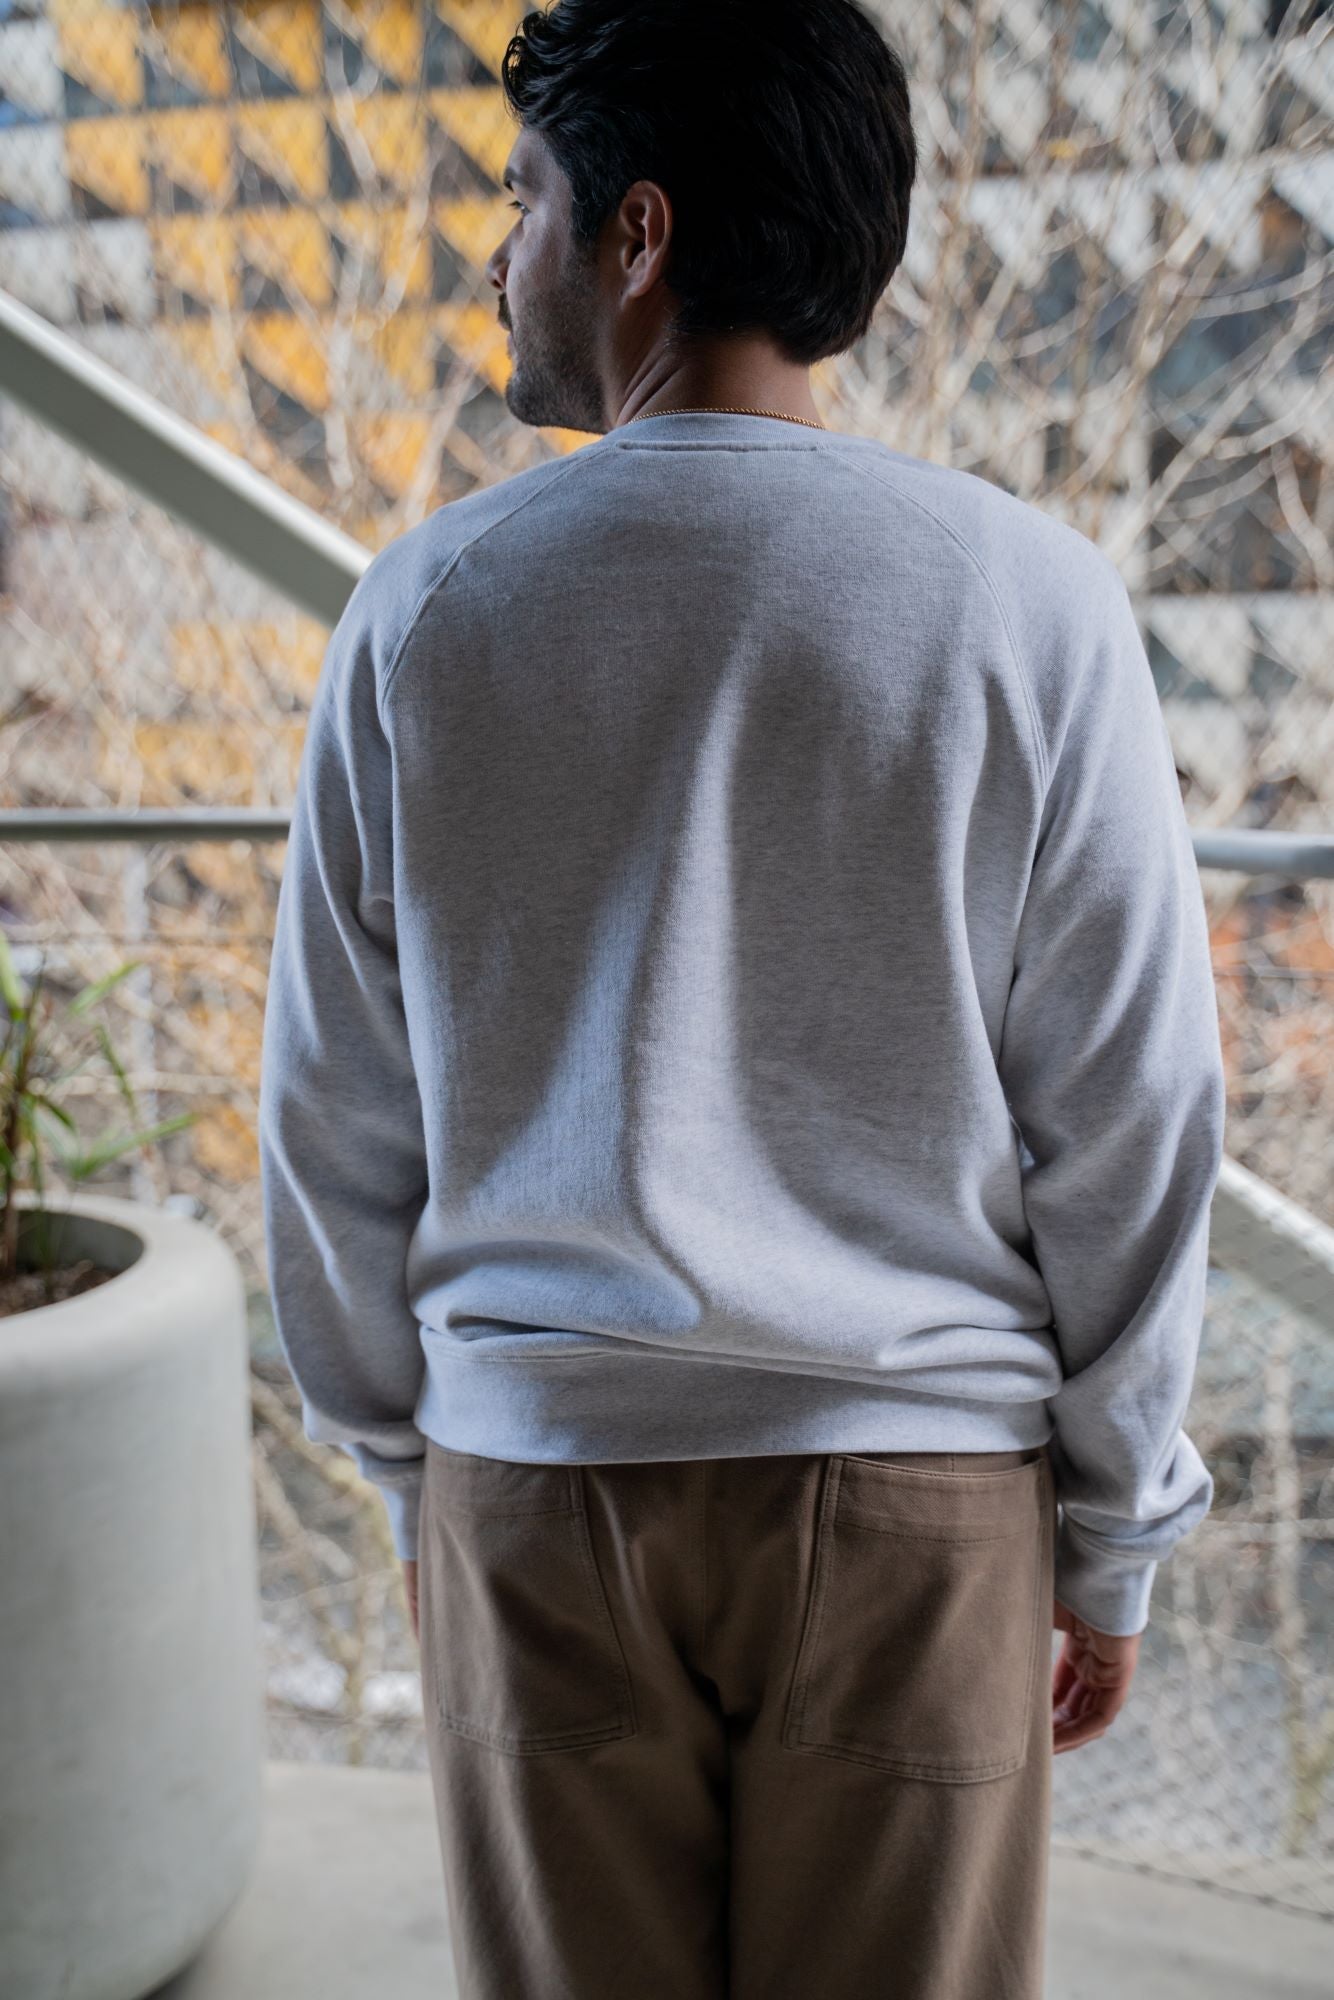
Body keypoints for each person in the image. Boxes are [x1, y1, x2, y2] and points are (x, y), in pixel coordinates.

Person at [257, 3, 1226, 1994]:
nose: (492, 255)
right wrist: (1110, 1529)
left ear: (636, 234)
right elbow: (1131, 1114)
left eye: (523, 200)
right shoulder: (1023, 603)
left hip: (535, 1486)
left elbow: (336, 1124)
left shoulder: (426, 614)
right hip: (917, 1498)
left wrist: (414, 1468)